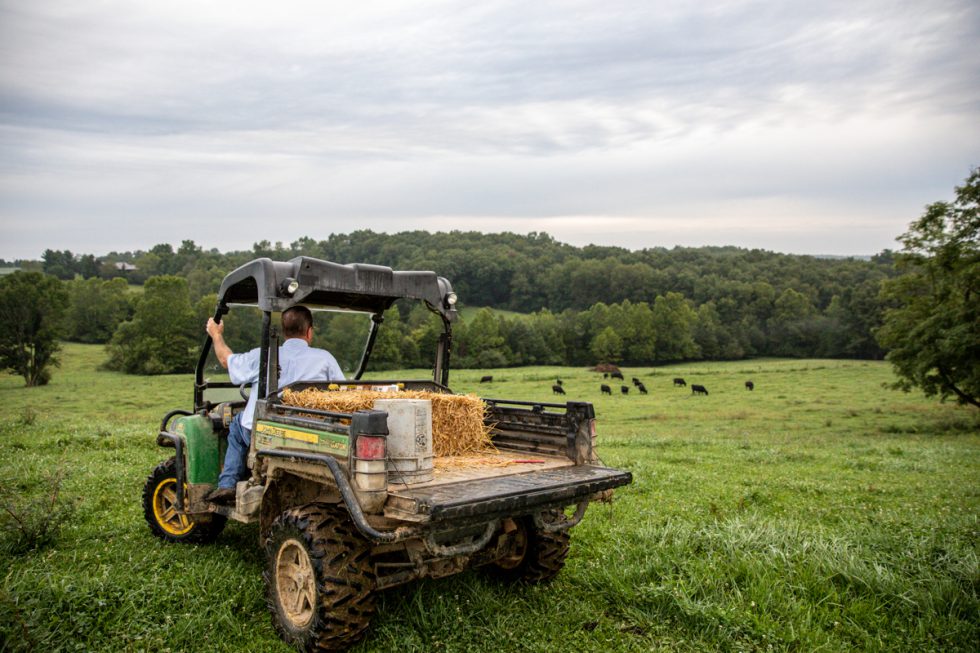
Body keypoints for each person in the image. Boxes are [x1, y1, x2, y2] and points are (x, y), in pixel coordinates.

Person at [204, 306, 344, 504]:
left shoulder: (263, 355)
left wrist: (216, 335)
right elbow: (343, 393)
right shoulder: (325, 359)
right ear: (309, 331)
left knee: (236, 426)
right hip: (311, 432)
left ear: (283, 330)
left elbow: (227, 361)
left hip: (266, 433)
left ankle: (227, 484)